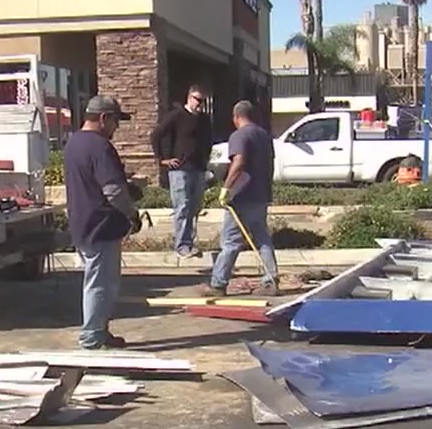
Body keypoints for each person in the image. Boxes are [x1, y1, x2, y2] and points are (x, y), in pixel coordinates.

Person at [63, 95, 139, 350]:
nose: (116, 128)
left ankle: (100, 331)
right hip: (101, 225)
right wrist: (132, 213)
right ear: (104, 118)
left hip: (83, 222)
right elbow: (113, 191)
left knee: (99, 281)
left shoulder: (74, 143)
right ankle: (92, 337)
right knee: (101, 284)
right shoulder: (99, 146)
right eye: (115, 121)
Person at [204, 100, 278, 297]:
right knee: (262, 239)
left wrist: (226, 189)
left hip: (242, 196)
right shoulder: (264, 135)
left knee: (230, 242)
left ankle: (218, 284)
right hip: (261, 195)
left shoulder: (239, 135)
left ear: (236, 117)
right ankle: (270, 280)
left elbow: (238, 162)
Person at [150, 85, 212, 258]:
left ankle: (189, 242)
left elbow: (208, 140)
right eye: (197, 100)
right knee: (182, 206)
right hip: (180, 170)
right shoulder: (177, 116)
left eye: (203, 101)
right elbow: (156, 135)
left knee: (195, 207)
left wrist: (206, 158)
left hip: (198, 168)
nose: (199, 104)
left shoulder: (204, 119)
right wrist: (162, 159)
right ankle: (181, 245)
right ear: (189, 97)